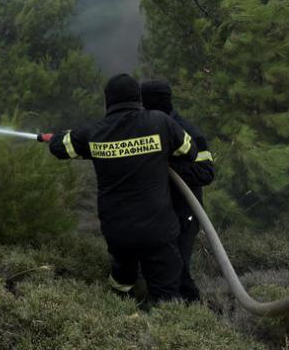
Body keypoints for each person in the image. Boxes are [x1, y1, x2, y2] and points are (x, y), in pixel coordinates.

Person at [42, 73, 197, 303]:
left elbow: (59, 147)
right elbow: (189, 151)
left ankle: (117, 305)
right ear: (138, 99)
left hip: (117, 231)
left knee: (123, 275)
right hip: (157, 230)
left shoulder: (94, 132)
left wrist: (60, 137)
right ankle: (161, 318)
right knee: (166, 293)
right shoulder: (159, 122)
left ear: (107, 102)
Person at [141, 80, 215, 303]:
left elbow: (206, 173)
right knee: (157, 266)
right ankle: (162, 308)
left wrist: (168, 164)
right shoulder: (145, 128)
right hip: (156, 212)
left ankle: (193, 310)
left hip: (184, 213)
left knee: (178, 267)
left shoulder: (188, 132)